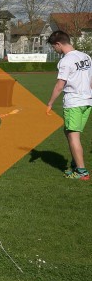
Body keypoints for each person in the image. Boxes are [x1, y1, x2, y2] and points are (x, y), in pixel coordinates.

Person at [45, 30, 92, 181]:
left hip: (74, 102)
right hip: (87, 101)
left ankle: (81, 172)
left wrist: (50, 103)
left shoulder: (65, 61)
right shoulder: (86, 56)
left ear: (58, 44)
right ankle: (75, 161)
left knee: (73, 136)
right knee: (69, 131)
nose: (54, 50)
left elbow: (60, 85)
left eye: (54, 47)